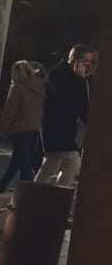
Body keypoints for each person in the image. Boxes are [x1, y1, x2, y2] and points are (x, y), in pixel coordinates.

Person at [39, 44, 96, 187]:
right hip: (56, 127)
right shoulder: (57, 74)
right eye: (86, 61)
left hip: (68, 128)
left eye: (91, 61)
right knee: (72, 163)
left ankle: (36, 193)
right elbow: (68, 100)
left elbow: (84, 104)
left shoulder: (84, 78)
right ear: (74, 59)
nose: (88, 64)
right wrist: (79, 80)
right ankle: (59, 193)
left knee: (51, 164)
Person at [0, 60, 46, 192]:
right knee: (19, 158)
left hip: (18, 128)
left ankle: (26, 192)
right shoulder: (40, 87)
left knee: (24, 164)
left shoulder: (17, 88)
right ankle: (3, 183)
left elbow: (9, 112)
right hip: (34, 128)